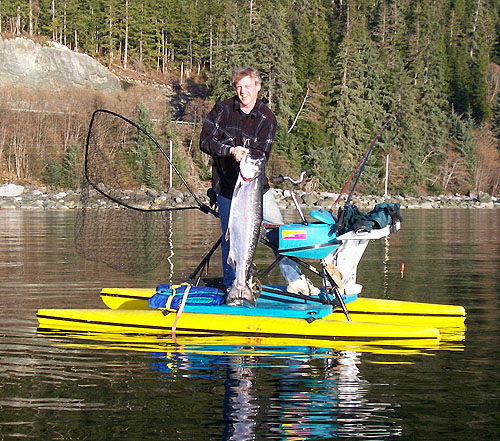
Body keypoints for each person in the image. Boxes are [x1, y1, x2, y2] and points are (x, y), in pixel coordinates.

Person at [200, 66, 319, 296]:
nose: (243, 92)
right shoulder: (223, 109)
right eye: (239, 87)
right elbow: (205, 141)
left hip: (255, 187)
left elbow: (261, 155)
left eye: (247, 86)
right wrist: (229, 150)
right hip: (226, 187)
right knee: (230, 236)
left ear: (257, 87)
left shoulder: (267, 119)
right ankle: (234, 286)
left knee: (281, 233)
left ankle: (294, 279)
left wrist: (244, 156)